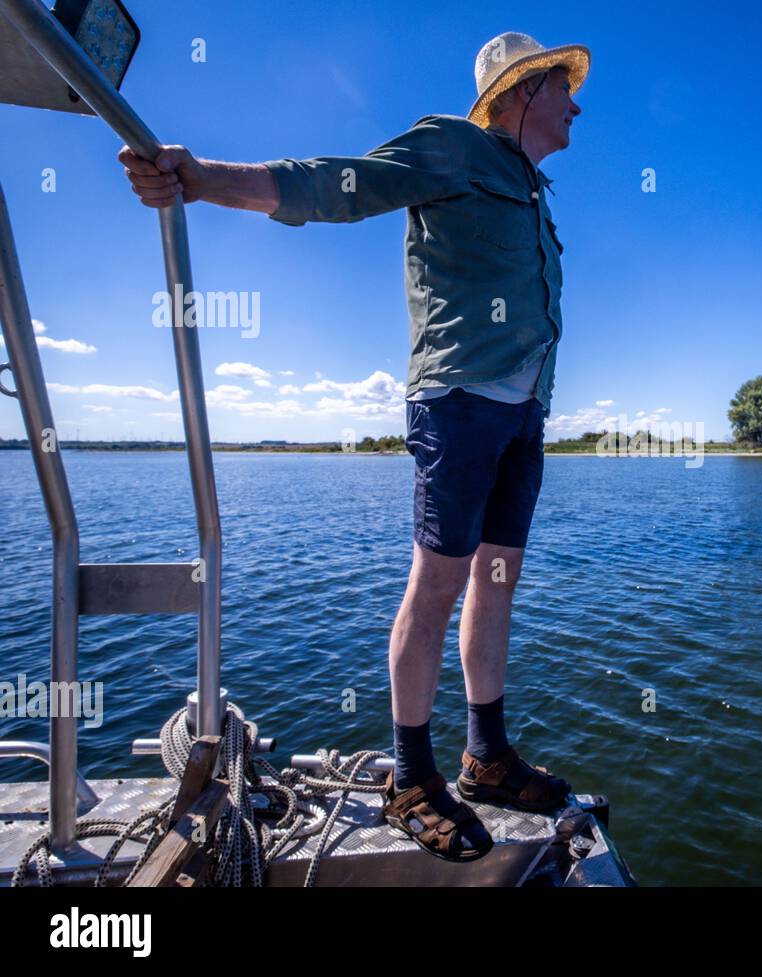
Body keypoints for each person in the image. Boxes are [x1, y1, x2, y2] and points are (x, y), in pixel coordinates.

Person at [119, 32, 589, 861]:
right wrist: (201, 179)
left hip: (523, 417)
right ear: (524, 90)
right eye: (563, 88)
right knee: (437, 584)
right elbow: (339, 185)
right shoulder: (453, 146)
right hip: (461, 402)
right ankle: (410, 776)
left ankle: (486, 756)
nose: (575, 105)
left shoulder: (534, 189)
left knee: (496, 581)